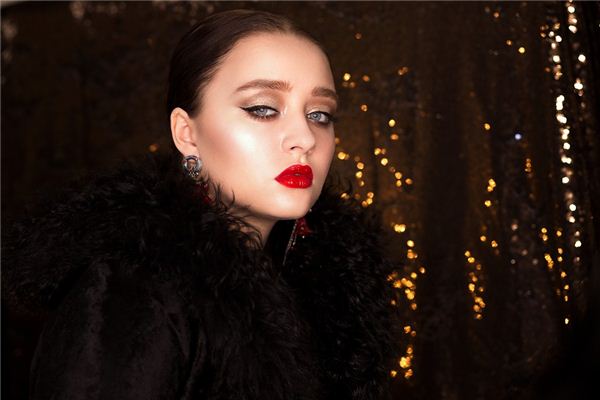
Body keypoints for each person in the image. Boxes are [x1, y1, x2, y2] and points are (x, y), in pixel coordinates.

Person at [2, 9, 402, 400]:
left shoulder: (328, 294)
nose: (305, 138)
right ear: (187, 134)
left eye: (320, 114)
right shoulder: (130, 293)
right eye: (263, 109)